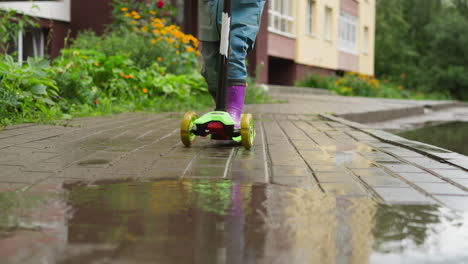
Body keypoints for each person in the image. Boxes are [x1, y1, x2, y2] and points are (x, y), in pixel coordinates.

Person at [198, 0, 266, 128]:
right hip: (211, 10)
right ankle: (221, 109)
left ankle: (233, 112)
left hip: (243, 10)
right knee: (210, 62)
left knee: (234, 49)